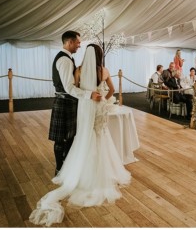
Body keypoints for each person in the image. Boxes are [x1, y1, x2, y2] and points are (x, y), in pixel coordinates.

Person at [31, 44, 130, 227]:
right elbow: (112, 90)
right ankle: (101, 173)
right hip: (99, 107)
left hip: (84, 106)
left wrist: (87, 98)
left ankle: (78, 171)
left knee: (83, 135)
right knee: (100, 136)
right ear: (100, 55)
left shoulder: (79, 70)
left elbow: (74, 90)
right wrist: (104, 100)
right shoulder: (104, 71)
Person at [48, 31, 101, 175]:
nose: (79, 45)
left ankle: (66, 166)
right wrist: (89, 94)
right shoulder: (64, 60)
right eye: (78, 42)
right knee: (61, 139)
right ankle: (59, 169)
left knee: (69, 137)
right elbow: (69, 88)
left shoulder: (67, 58)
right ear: (69, 42)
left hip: (67, 102)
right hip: (64, 102)